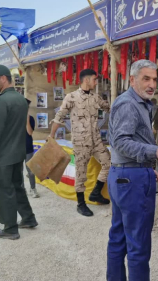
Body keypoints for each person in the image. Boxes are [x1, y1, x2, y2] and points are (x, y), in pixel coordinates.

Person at [106, 60, 158, 281]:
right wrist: (153, 152)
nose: (152, 84)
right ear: (132, 79)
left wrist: (142, 167)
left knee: (119, 238)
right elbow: (121, 142)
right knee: (138, 245)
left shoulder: (138, 103)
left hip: (124, 174)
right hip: (130, 180)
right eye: (146, 78)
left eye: (154, 79)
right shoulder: (129, 104)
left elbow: (112, 138)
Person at [0, 64, 37, 240]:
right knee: (18, 187)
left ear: (3, 78)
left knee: (4, 191)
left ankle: (10, 228)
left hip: (3, 156)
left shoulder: (2, 100)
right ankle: (28, 218)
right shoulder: (20, 99)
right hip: (17, 153)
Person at [49, 69, 111, 217]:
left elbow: (110, 108)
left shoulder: (96, 97)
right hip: (80, 142)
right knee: (81, 172)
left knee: (108, 163)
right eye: (94, 80)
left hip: (96, 140)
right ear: (87, 80)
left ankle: (95, 193)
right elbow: (59, 116)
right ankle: (81, 204)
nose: (96, 82)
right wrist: (51, 135)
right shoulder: (71, 97)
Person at [24, 98, 39, 198]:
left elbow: (29, 132)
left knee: (30, 170)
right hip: (16, 148)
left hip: (28, 148)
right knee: (18, 171)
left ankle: (33, 189)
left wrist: (27, 120)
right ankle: (21, 190)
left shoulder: (31, 119)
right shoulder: (14, 119)